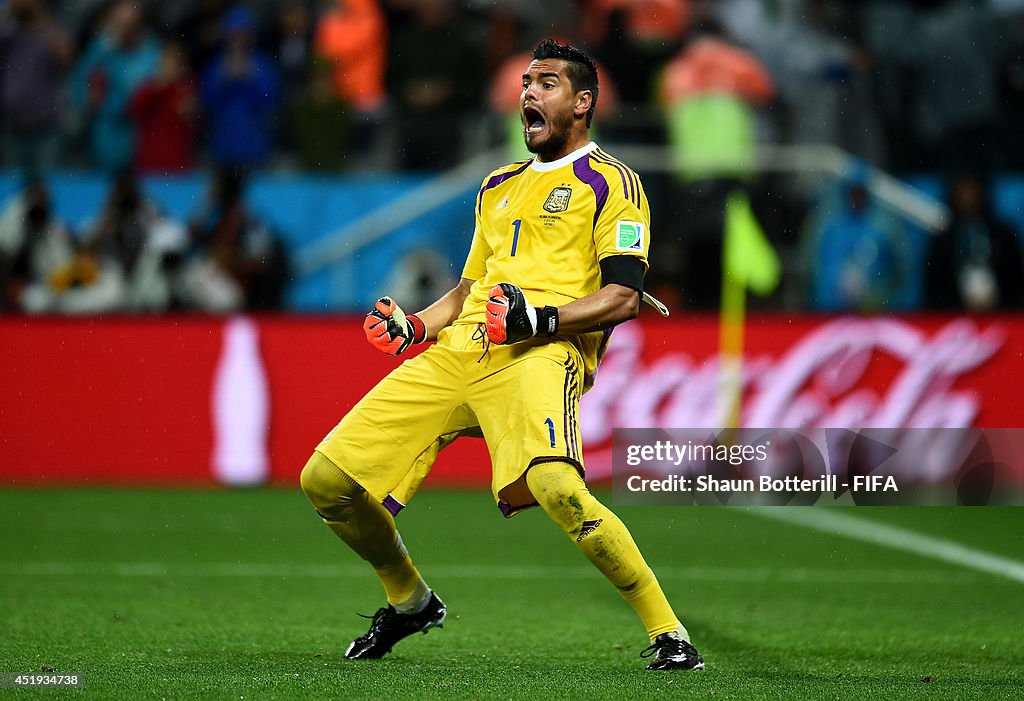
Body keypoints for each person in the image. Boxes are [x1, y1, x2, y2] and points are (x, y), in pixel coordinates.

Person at [299, 39, 703, 672]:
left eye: (545, 83)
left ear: (583, 102)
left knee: (552, 482)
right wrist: (415, 325)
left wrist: (538, 317)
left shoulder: (613, 184)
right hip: (462, 352)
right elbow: (466, 291)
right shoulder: (498, 186)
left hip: (541, 353)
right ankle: (409, 600)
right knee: (325, 481)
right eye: (525, 84)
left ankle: (668, 632)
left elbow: (624, 296)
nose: (528, 95)